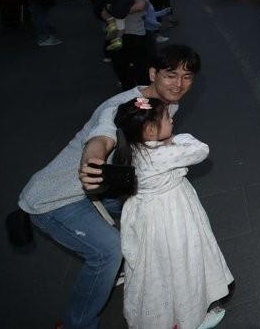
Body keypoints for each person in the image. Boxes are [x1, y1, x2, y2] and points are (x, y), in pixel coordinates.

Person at [17, 45, 200, 329]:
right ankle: (76, 323)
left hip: (105, 188)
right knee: (108, 252)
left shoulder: (167, 102)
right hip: (56, 198)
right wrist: (94, 155)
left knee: (155, 209)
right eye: (170, 75)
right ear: (153, 74)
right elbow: (104, 131)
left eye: (187, 77)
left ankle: (145, 277)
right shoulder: (122, 106)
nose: (178, 84)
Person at [112, 97, 232, 328]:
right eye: (167, 117)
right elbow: (201, 150)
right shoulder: (162, 153)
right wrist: (175, 140)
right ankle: (191, 318)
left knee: (156, 267)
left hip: (148, 219)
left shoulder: (133, 151)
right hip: (173, 216)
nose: (172, 119)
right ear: (149, 130)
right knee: (183, 261)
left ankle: (161, 316)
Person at [71, 0, 153, 89]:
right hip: (115, 35)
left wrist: (111, 12)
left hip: (134, 35)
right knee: (122, 72)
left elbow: (140, 5)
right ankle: (131, 103)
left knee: (141, 76)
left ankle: (142, 107)